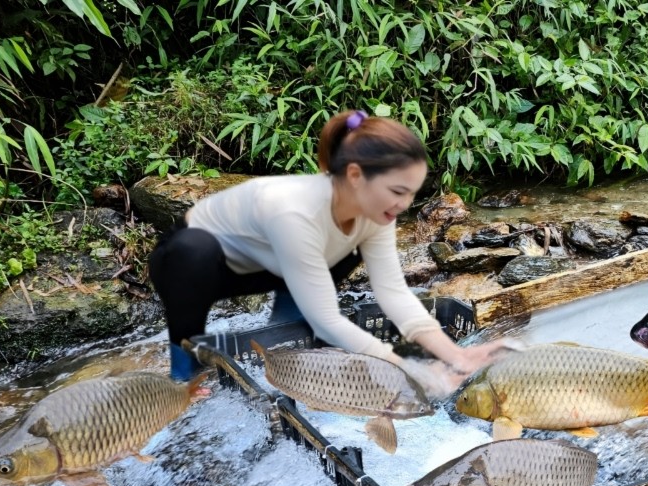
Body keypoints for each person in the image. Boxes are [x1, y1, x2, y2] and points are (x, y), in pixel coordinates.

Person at [148, 109, 505, 388]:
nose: (405, 205)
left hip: (270, 262)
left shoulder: (376, 210)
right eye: (398, 191)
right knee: (192, 253)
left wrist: (454, 355)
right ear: (354, 176)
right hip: (196, 261)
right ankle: (184, 368)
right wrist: (407, 368)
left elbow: (394, 293)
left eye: (411, 193)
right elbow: (328, 320)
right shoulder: (294, 211)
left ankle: (288, 324)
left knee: (344, 250)